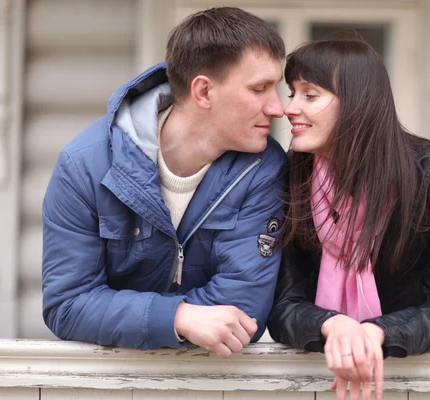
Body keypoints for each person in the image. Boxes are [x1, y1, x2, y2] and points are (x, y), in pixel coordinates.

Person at [42, 7, 287, 357]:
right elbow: (67, 305)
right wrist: (178, 317)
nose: (278, 108)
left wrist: (120, 314)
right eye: (260, 89)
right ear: (203, 91)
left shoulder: (264, 168)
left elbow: (241, 312)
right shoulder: (85, 166)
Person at [267, 38, 430, 400]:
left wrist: (375, 333)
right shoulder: (292, 175)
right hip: (310, 379)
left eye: (309, 95)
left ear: (356, 104)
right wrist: (333, 324)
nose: (288, 109)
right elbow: (283, 305)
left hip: (407, 380)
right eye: (292, 93)